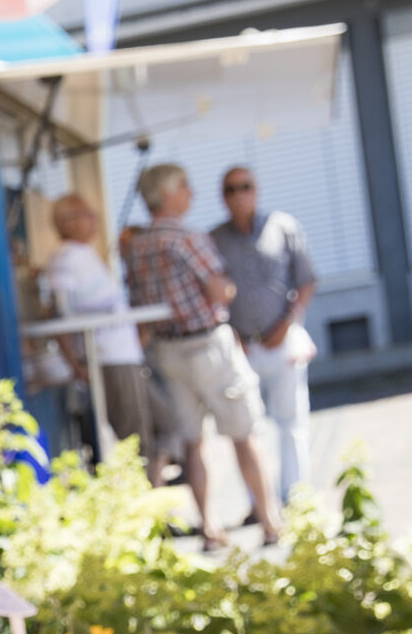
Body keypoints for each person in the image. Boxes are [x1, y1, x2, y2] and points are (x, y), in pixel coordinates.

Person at [122, 163, 283, 548]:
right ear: (170, 193)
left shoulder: (136, 245)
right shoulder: (185, 237)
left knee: (194, 441)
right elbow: (217, 290)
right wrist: (228, 290)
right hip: (207, 344)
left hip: (167, 350)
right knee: (244, 433)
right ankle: (269, 522)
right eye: (186, 187)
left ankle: (209, 526)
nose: (193, 193)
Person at [210, 165, 318, 506]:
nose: (239, 194)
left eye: (245, 186)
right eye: (231, 189)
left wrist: (288, 323)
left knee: (291, 421)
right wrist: (231, 334)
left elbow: (306, 280)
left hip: (281, 338)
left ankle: (297, 495)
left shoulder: (283, 227)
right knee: (247, 428)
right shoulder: (214, 239)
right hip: (241, 345)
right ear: (223, 196)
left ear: (256, 190)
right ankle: (259, 504)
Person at [44, 193, 176, 470]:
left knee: (165, 426)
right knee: (135, 440)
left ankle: (155, 494)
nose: (95, 221)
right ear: (66, 223)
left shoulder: (85, 254)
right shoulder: (65, 259)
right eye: (86, 215)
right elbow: (58, 315)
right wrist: (77, 363)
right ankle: (145, 506)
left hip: (125, 355)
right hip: (108, 359)